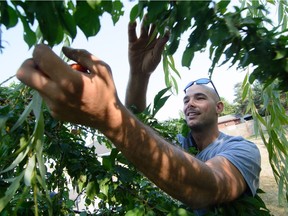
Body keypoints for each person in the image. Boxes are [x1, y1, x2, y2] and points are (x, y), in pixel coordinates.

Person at [16, 18, 261, 215]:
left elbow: (209, 186)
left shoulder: (242, 150)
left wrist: (107, 115)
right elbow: (142, 132)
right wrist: (139, 73)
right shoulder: (180, 144)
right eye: (185, 100)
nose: (190, 104)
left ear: (219, 108)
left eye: (200, 98)